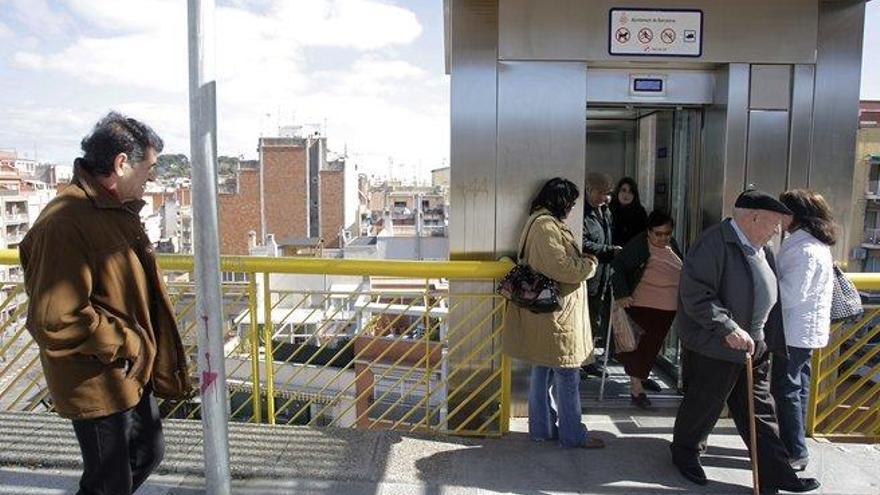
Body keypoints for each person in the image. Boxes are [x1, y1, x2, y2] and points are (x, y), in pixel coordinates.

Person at [20, 112, 192, 495]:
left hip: (128, 369)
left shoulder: (112, 210)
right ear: (121, 163)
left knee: (147, 453)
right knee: (108, 481)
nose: (151, 180)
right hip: (97, 377)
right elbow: (56, 317)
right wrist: (129, 342)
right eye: (148, 169)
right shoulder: (65, 221)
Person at [669, 189, 819, 494]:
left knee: (761, 411)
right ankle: (685, 452)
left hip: (756, 345)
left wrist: (762, 335)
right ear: (753, 217)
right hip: (717, 345)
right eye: (774, 222)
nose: (778, 230)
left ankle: (776, 474)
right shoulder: (714, 244)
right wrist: (728, 328)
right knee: (703, 404)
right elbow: (695, 294)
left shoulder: (761, 246)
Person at [503, 178, 605, 449]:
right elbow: (560, 267)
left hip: (548, 316)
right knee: (567, 374)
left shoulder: (539, 222)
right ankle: (572, 435)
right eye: (570, 203)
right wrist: (588, 266)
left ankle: (542, 429)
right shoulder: (546, 226)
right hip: (556, 317)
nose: (571, 209)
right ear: (560, 202)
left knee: (543, 371)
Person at [771, 190, 835, 472]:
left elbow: (791, 294)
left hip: (795, 329)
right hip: (802, 329)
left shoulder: (804, 249)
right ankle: (796, 446)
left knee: (786, 388)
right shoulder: (811, 244)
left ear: (794, 215)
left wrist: (765, 287)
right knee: (798, 387)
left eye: (782, 211)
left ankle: (795, 450)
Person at [611, 210, 682, 409]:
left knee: (653, 346)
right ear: (649, 232)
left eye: (667, 233)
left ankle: (640, 378)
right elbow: (618, 267)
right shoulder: (639, 244)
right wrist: (622, 294)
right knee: (640, 346)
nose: (663, 238)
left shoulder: (671, 245)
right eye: (658, 234)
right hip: (644, 302)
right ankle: (636, 387)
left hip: (668, 306)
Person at [582, 172, 619, 378]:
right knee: (587, 319)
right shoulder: (583, 214)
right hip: (589, 276)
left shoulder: (605, 212)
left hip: (603, 275)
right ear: (589, 190)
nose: (605, 198)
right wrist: (609, 250)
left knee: (595, 320)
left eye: (608, 194)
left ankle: (589, 360)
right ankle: (584, 362)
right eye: (601, 193)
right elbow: (582, 243)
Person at [610, 177, 648, 247]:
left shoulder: (640, 213)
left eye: (630, 192)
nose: (626, 195)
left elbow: (643, 237)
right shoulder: (608, 210)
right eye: (623, 190)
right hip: (611, 251)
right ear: (618, 191)